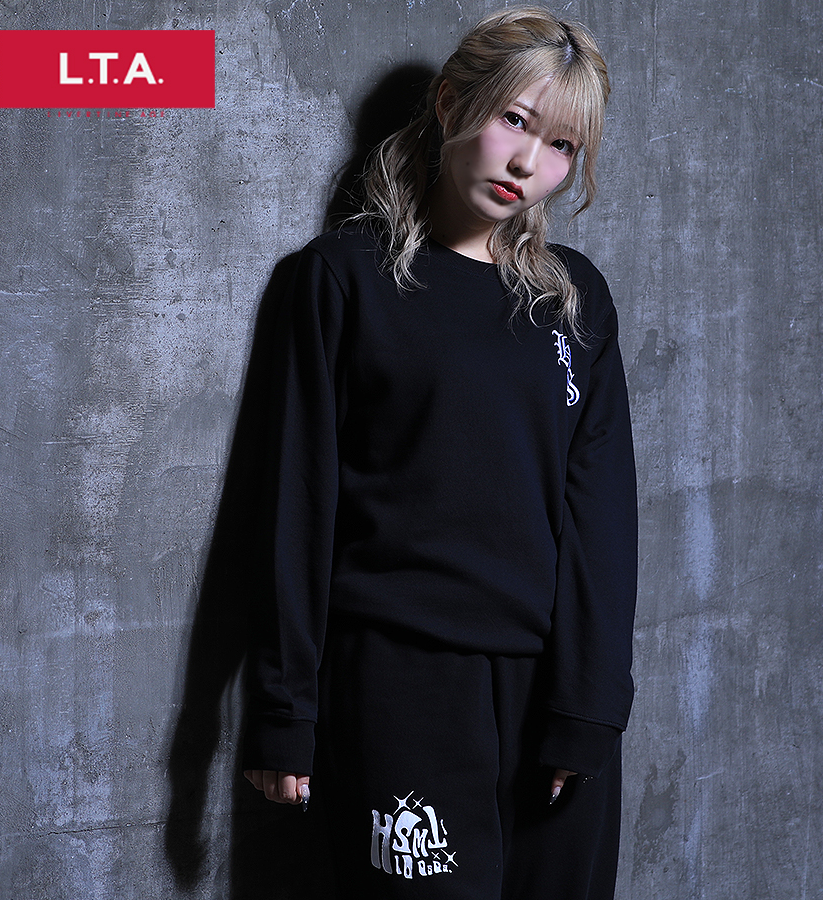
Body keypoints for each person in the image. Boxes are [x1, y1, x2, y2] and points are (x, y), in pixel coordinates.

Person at [241, 6, 637, 898]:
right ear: (454, 102)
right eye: (515, 120)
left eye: (562, 146)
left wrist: (590, 709)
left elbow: (602, 515)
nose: (528, 163)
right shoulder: (342, 278)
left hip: (553, 698)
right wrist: (283, 712)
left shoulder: (575, 302)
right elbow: (297, 504)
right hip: (401, 689)